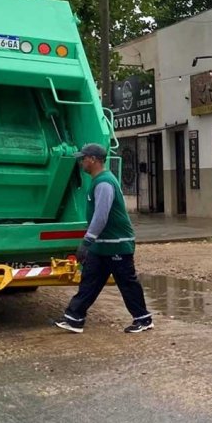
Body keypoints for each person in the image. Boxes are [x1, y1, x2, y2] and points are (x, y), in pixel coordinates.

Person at [54, 143, 153, 334]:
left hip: (116, 244)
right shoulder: (99, 181)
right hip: (103, 246)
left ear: (93, 160)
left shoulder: (104, 183)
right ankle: (75, 318)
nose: (81, 162)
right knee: (89, 281)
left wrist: (87, 241)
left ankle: (143, 319)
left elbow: (101, 216)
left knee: (127, 283)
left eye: (84, 158)